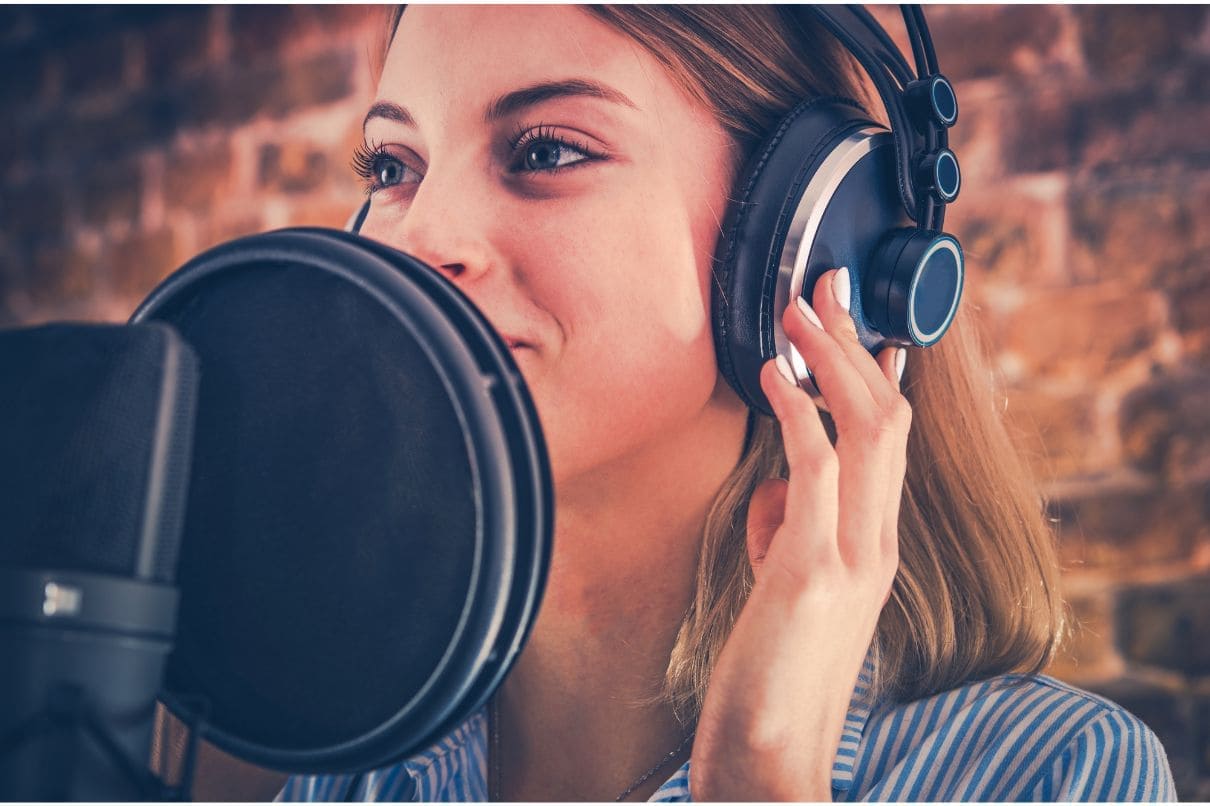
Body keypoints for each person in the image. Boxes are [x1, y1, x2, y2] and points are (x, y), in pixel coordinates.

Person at [276, 5, 1175, 802]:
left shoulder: (1057, 778)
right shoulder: (359, 761)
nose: (422, 237)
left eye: (546, 150)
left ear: (808, 235)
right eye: (394, 166)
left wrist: (762, 779)